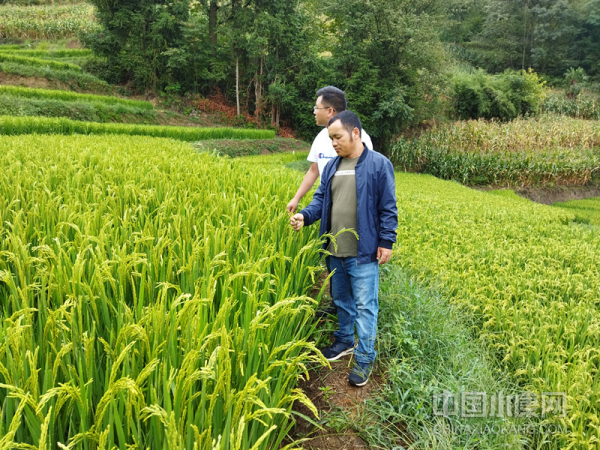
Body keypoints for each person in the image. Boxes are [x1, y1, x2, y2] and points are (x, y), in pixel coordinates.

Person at [289, 110, 398, 387]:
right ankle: (345, 341)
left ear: (355, 133)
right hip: (334, 250)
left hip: (363, 253)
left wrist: (387, 241)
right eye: (330, 138)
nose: (334, 143)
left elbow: (388, 207)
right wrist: (305, 215)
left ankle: (364, 358)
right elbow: (320, 200)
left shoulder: (377, 164)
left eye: (337, 137)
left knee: (365, 306)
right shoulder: (332, 167)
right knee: (341, 301)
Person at [286, 86, 373, 214]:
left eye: (317, 108)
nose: (314, 112)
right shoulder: (320, 138)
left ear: (329, 111)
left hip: (353, 208)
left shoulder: (360, 137)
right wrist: (296, 198)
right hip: (326, 204)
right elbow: (313, 170)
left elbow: (368, 177)